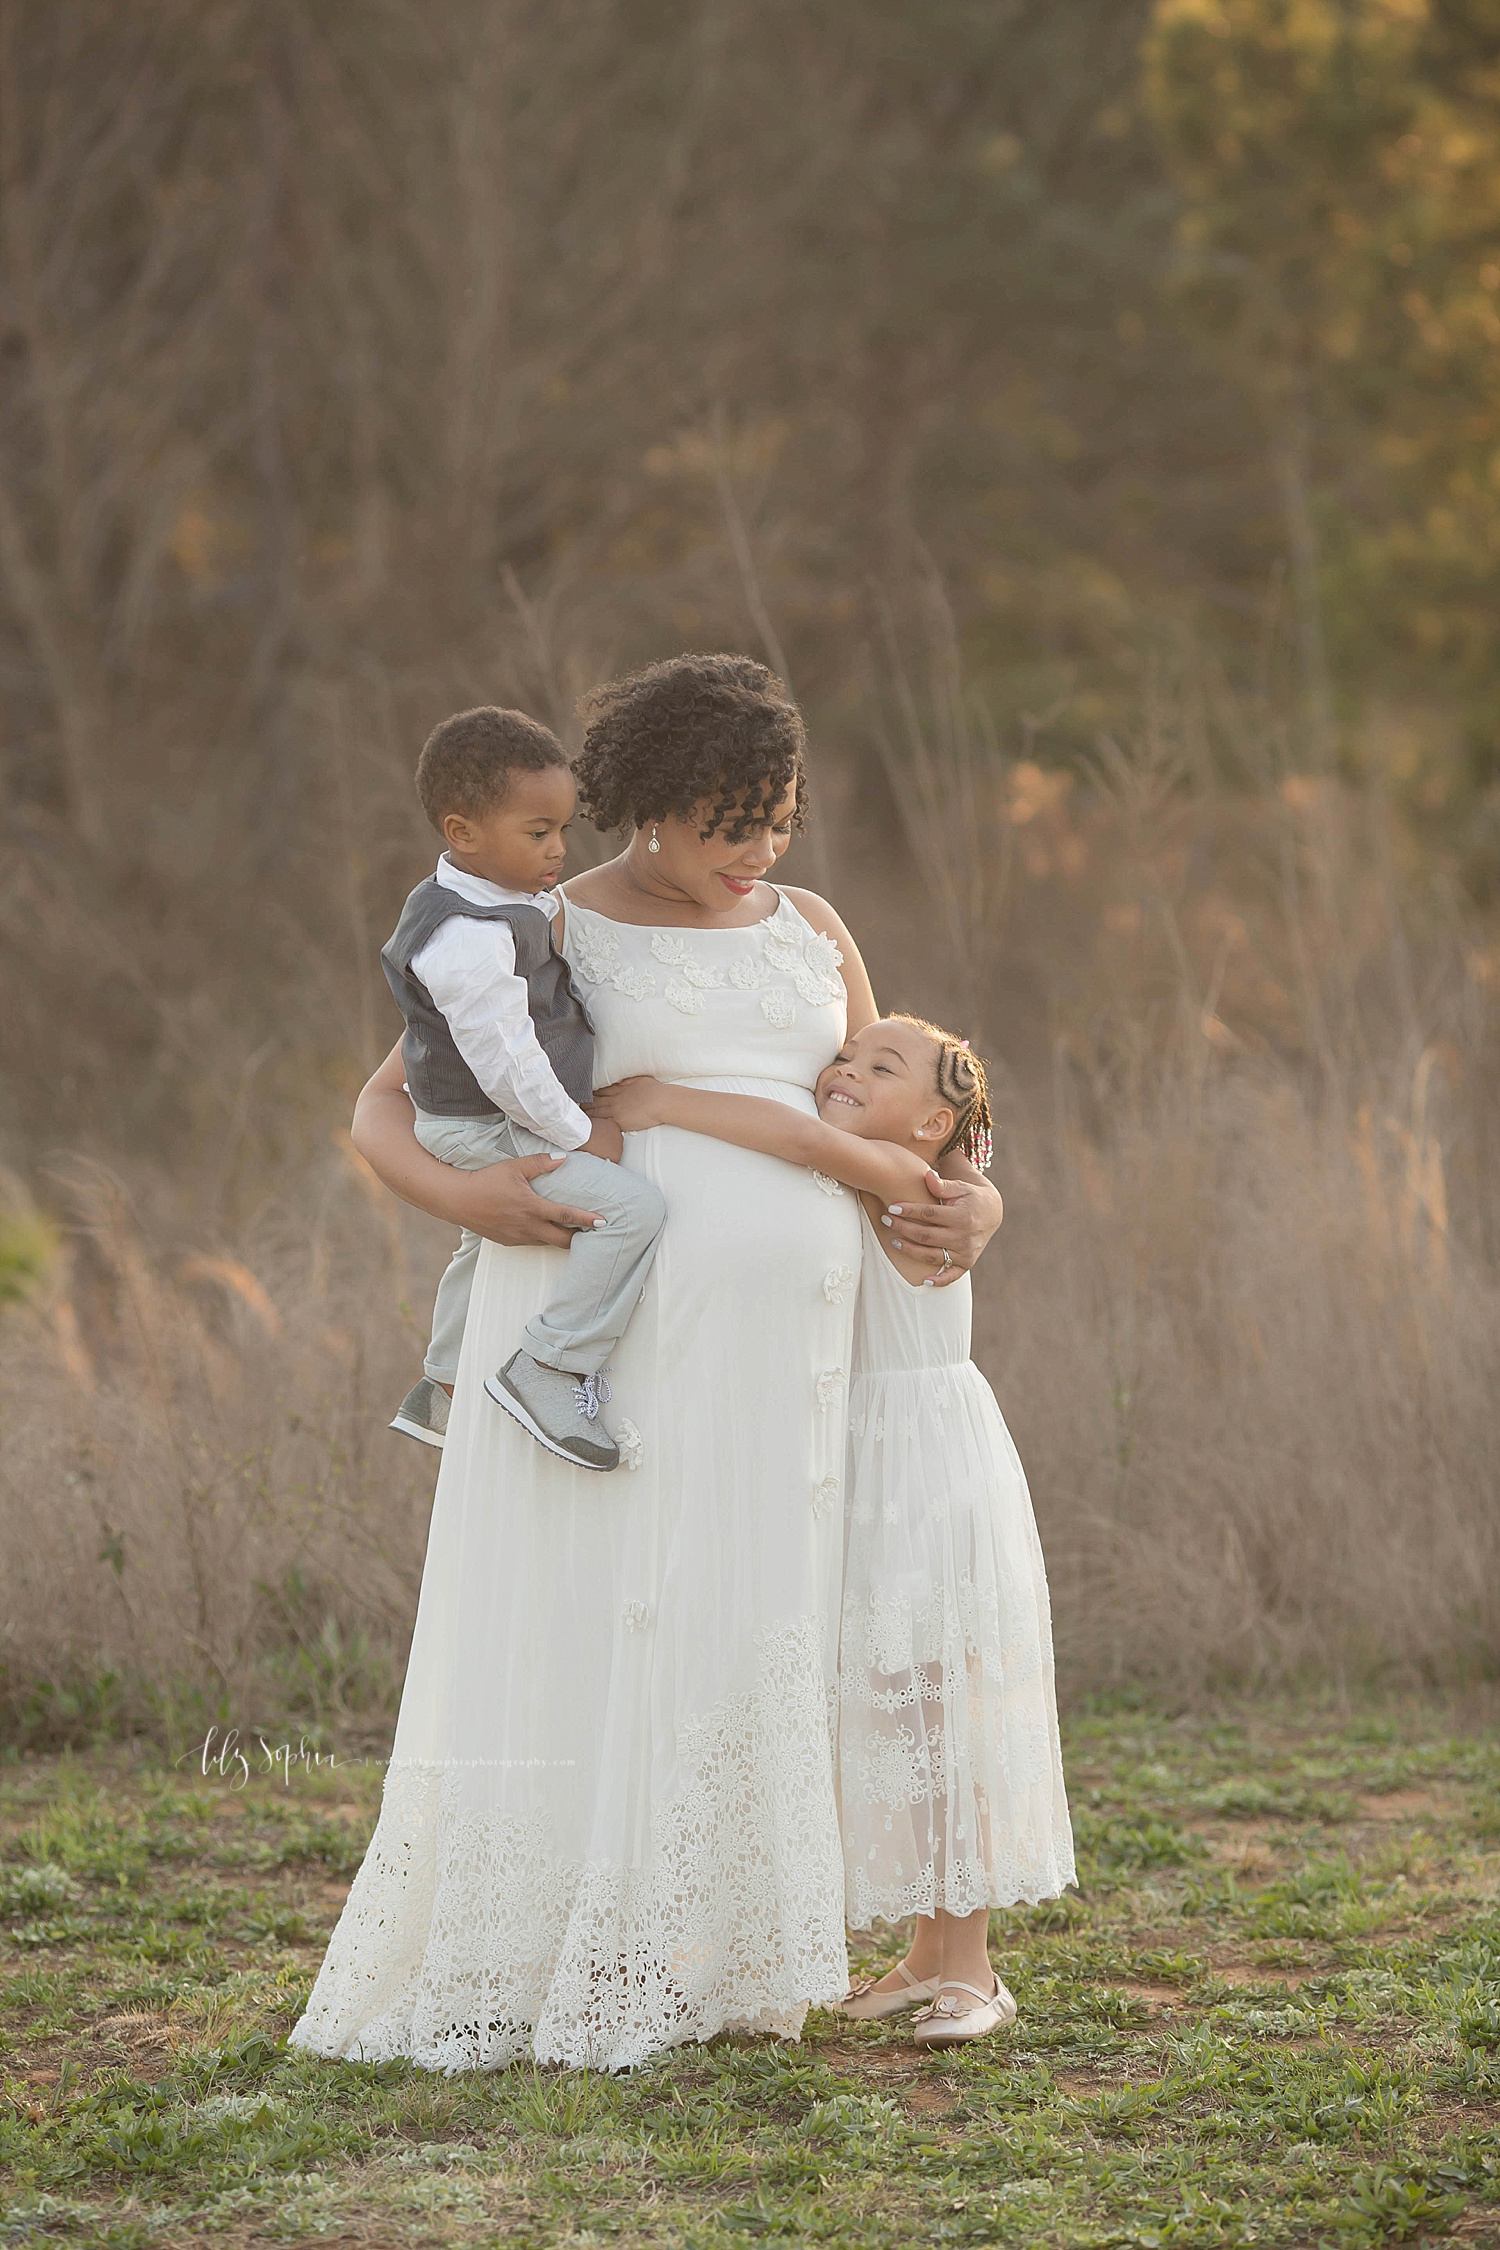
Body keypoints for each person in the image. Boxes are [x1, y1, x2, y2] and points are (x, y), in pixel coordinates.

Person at [290, 655, 1004, 2073]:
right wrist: (467, 1201)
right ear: (652, 807)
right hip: (600, 1350)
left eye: (779, 821)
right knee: (602, 1618)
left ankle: (725, 1935)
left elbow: (905, 1096)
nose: (758, 854)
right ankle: (568, 1935)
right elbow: (380, 1111)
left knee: (750, 1618)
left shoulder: (809, 924)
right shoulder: (540, 921)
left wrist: (981, 1200)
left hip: (789, 1364)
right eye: (729, 823)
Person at [594, 1014, 1075, 2049]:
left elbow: (806, 1142)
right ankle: (920, 1961)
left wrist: (664, 1100)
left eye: (881, 1066)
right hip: (857, 1467)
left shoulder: (916, 1188)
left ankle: (977, 1973)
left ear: (935, 1122)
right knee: (890, 1718)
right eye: (845, 1057)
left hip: (927, 1470)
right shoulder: (877, 1176)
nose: (846, 1069)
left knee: (942, 1722)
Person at [382, 706, 665, 1471]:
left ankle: (440, 1380)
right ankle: (551, 1363)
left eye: (563, 831)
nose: (559, 850)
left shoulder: (492, 899)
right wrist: (580, 1134)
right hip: (484, 1123)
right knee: (633, 1209)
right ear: (463, 832)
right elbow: (508, 1064)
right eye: (537, 833)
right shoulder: (467, 937)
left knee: (479, 1242)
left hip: (475, 1119)